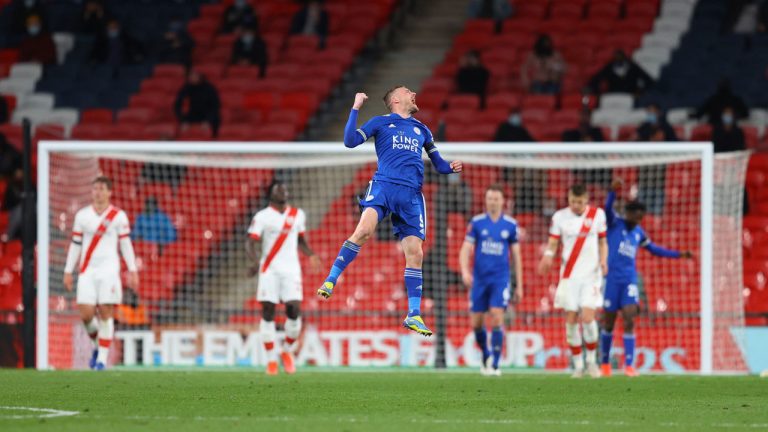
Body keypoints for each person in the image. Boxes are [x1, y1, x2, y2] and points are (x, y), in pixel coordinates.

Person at [317, 87, 463, 337]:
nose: (414, 93)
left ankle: (414, 314)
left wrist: (449, 167)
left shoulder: (422, 129)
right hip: (384, 186)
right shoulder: (380, 123)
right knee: (363, 231)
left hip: (412, 195)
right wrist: (355, 108)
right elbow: (350, 141)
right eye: (408, 91)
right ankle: (330, 279)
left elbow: (437, 164)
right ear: (396, 100)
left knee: (415, 253)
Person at [601, 179, 693, 377]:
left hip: (629, 280)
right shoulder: (614, 223)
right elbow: (607, 209)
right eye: (636, 216)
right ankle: (605, 363)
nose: (638, 221)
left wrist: (679, 254)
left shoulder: (638, 232)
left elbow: (654, 250)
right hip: (611, 280)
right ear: (629, 213)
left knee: (629, 318)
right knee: (608, 322)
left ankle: (629, 365)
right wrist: (613, 193)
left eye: (641, 218)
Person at [63, 177, 139, 371]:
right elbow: (75, 244)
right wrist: (68, 270)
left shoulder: (118, 216)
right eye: (94, 188)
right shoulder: (82, 216)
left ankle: (102, 361)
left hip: (109, 271)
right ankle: (99, 346)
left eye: (101, 188)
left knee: (106, 312)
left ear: (109, 192)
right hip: (87, 270)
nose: (97, 192)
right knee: (86, 315)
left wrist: (132, 269)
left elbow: (125, 244)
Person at [246, 182, 320, 375]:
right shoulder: (262, 217)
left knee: (294, 309)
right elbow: (250, 243)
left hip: (291, 270)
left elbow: (301, 240)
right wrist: (256, 262)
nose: (283, 192)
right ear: (271, 194)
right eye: (279, 190)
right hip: (269, 269)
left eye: (285, 190)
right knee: (268, 312)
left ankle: (286, 352)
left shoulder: (298, 215)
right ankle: (271, 360)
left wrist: (311, 254)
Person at [538, 184, 607, 378]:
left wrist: (603, 260)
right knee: (570, 320)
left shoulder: (598, 215)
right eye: (573, 201)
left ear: (587, 200)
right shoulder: (560, 217)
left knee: (588, 317)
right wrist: (548, 255)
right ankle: (578, 365)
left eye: (580, 202)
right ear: (568, 200)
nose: (576, 205)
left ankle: (592, 362)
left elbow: (603, 242)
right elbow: (553, 243)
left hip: (591, 276)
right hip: (569, 276)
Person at [459, 185, 523, 376]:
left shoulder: (510, 225)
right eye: (490, 199)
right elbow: (465, 249)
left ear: (503, 201)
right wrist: (464, 271)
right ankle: (486, 354)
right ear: (486, 201)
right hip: (479, 279)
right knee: (476, 323)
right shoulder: (477, 223)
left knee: (496, 315)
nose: (493, 202)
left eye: (496, 199)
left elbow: (517, 256)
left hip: (500, 279)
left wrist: (518, 284)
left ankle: (495, 364)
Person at [174, 69, 221, 138]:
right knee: (182, 127)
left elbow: (215, 106)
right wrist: (183, 120)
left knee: (216, 121)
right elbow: (177, 105)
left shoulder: (209, 88)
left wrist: (208, 120)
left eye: (194, 76)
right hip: (192, 114)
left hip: (207, 114)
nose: (192, 78)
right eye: (191, 76)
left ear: (200, 77)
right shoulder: (186, 88)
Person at [588, 50, 654, 97]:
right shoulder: (609, 68)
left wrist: (640, 91)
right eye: (616, 57)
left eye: (620, 57)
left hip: (631, 96)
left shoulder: (633, 67)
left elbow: (648, 80)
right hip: (613, 96)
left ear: (624, 57)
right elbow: (595, 80)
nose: (618, 59)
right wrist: (599, 93)